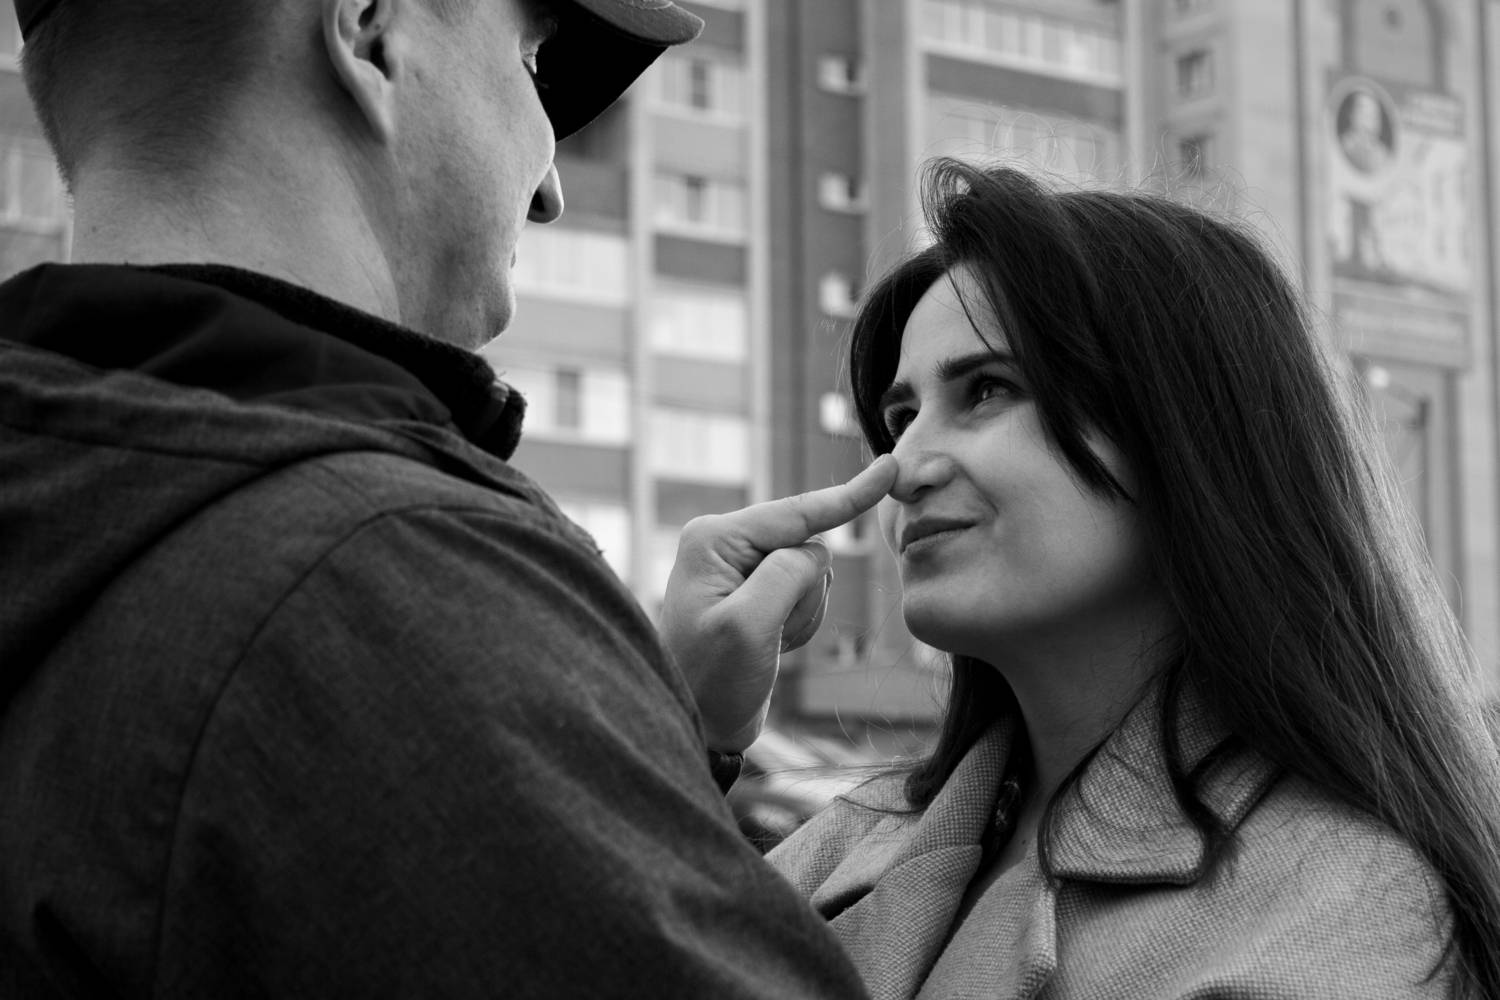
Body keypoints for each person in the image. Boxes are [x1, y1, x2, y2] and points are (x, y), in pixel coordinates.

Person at [0, 0, 889, 995]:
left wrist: (632, 735)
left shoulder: (73, 497)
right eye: (532, 61)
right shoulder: (384, 584)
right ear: (370, 29)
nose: (550, 188)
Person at [768, 160, 1500, 999]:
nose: (902, 466)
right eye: (901, 418)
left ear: (1182, 436)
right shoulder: (853, 840)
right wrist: (692, 723)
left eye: (987, 390)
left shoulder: (1348, 905)